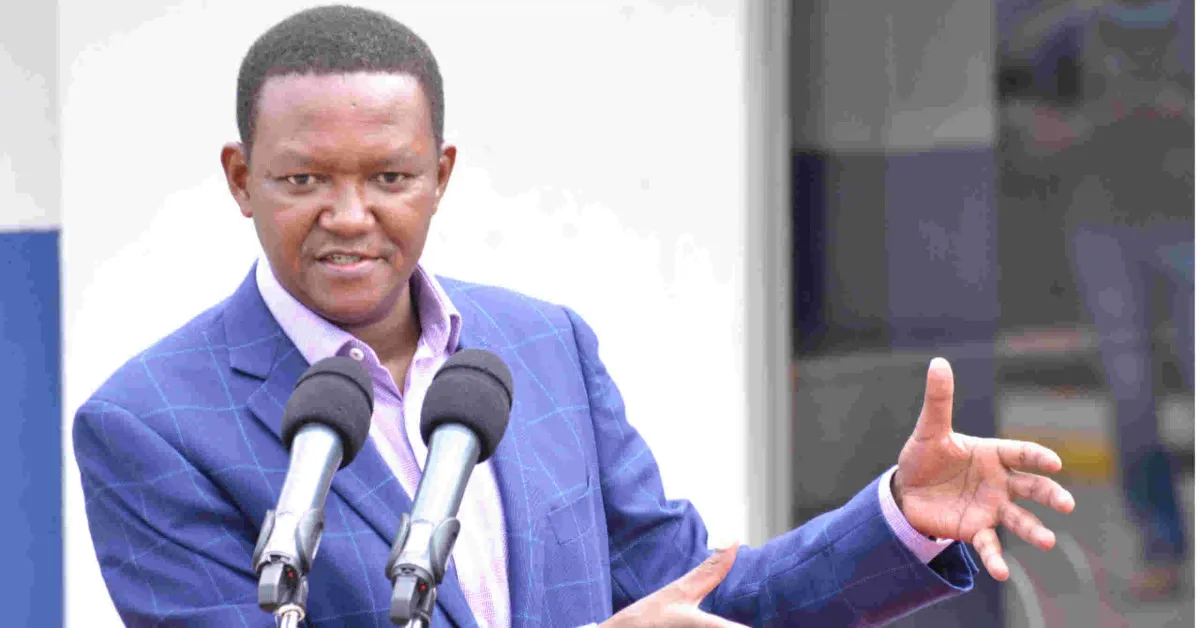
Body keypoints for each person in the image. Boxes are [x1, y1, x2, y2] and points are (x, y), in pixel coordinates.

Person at [74, 6, 1076, 626]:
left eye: (389, 176)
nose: (349, 215)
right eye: (304, 180)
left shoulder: (542, 347)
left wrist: (896, 518)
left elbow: (699, 596)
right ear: (240, 179)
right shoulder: (151, 424)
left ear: (440, 176)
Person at [999, 0, 1192, 600]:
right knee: (1132, 394)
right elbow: (1019, 126)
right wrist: (1094, 126)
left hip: (1187, 220)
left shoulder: (1189, 26)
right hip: (1104, 226)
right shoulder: (1069, 33)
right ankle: (1161, 547)